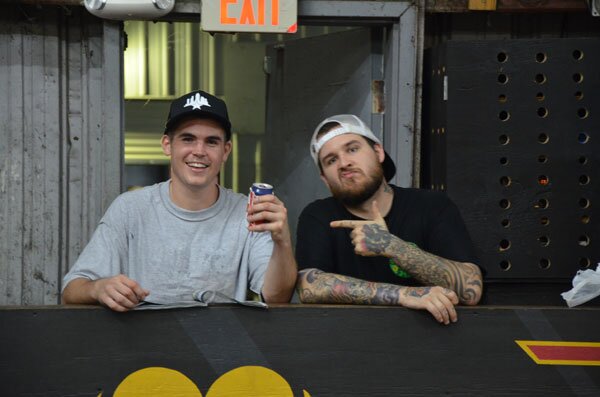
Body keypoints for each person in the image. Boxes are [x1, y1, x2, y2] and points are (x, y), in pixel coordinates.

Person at [62, 90, 297, 311]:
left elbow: (276, 297)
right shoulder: (130, 209)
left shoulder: (248, 213)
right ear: (167, 145)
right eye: (188, 139)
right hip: (144, 351)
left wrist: (282, 241)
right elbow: (71, 291)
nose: (199, 151)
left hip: (220, 350)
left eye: (211, 141)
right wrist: (99, 288)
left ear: (226, 151)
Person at [295, 114, 482, 325]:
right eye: (331, 160)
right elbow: (309, 286)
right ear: (325, 180)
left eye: (352, 149)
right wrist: (404, 295)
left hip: (433, 343)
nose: (344, 163)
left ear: (378, 152)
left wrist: (392, 246)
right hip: (348, 346)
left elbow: (470, 289)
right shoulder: (319, 216)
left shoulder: (431, 205)